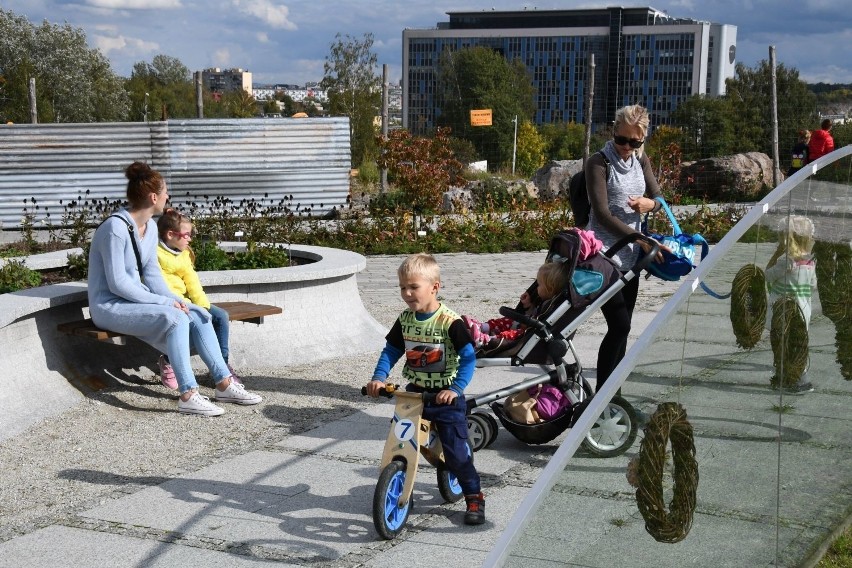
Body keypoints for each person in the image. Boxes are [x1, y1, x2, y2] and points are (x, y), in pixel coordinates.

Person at [87, 161, 262, 416]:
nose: (168, 197)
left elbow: (153, 277)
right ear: (153, 196)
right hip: (109, 306)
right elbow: (118, 283)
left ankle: (224, 384)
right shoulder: (115, 229)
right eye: (166, 191)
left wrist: (180, 301)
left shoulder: (148, 231)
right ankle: (188, 393)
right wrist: (165, 304)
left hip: (134, 302)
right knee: (176, 318)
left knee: (200, 314)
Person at [364, 253, 485, 525]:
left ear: (434, 287)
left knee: (456, 452)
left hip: (445, 397)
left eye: (413, 287)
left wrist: (455, 388)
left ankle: (474, 495)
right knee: (400, 441)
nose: (407, 293)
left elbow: (468, 358)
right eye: (402, 287)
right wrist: (379, 378)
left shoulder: (450, 322)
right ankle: (400, 482)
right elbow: (392, 350)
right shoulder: (405, 319)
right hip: (414, 394)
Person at [585, 104, 665, 394]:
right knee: (619, 326)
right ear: (614, 131)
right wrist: (639, 237)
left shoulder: (640, 161)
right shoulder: (599, 162)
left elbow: (659, 198)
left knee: (625, 329)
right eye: (622, 139)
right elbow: (603, 213)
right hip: (605, 256)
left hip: (632, 258)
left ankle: (613, 397)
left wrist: (649, 205)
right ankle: (603, 399)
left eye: (635, 142)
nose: (626, 147)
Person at [155, 208, 241, 389]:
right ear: (171, 234)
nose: (190, 238)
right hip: (171, 303)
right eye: (186, 235)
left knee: (220, 317)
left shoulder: (184, 253)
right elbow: (160, 286)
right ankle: (169, 360)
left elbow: (192, 280)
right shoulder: (156, 254)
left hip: (189, 301)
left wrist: (203, 305)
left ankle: (222, 366)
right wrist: (182, 304)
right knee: (186, 323)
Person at [463, 262, 568, 351]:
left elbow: (537, 321)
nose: (537, 288)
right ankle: (481, 327)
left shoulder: (550, 306)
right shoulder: (543, 302)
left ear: (549, 288)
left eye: (539, 285)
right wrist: (528, 305)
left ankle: (486, 340)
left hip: (527, 333)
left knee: (512, 334)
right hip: (524, 325)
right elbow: (532, 313)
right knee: (506, 320)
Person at [765, 215, 817, 394]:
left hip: (783, 310)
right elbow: (813, 285)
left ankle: (790, 379)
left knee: (783, 344)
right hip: (803, 310)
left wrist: (777, 252)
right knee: (799, 342)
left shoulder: (786, 261)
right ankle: (800, 376)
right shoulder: (810, 261)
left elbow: (767, 275)